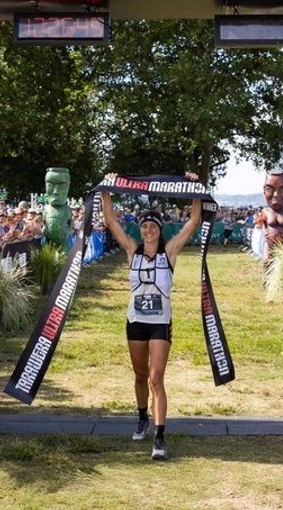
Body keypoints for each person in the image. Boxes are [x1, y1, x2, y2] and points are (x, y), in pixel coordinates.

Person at [101, 175, 203, 462]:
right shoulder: (132, 250)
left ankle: (159, 438)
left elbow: (193, 220)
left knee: (157, 378)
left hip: (160, 322)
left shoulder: (169, 252)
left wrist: (195, 187)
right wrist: (106, 187)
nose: (148, 231)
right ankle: (142, 417)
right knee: (141, 375)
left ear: (160, 230)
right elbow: (110, 220)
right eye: (144, 226)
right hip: (135, 321)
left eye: (153, 227)